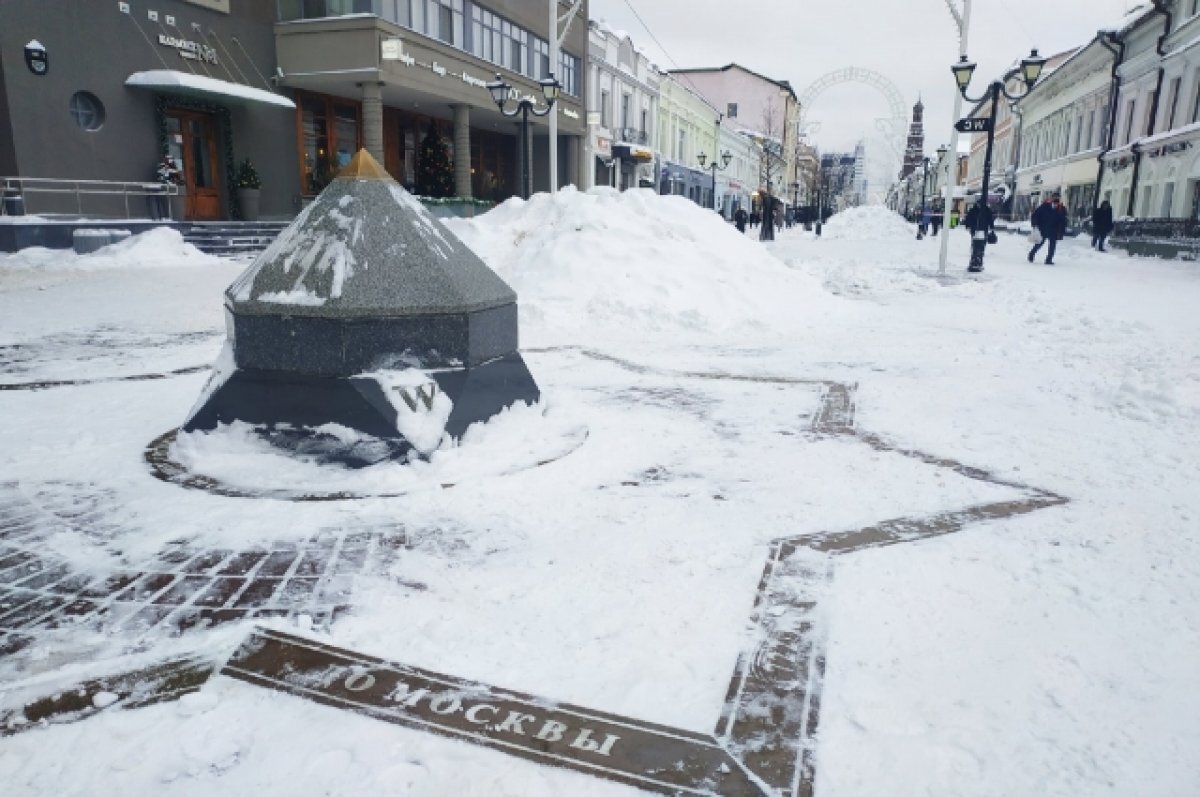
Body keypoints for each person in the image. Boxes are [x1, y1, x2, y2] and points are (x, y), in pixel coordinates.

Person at [1028, 192, 1068, 264]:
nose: (1056, 199)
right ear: (1051, 198)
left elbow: (1063, 221)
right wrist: (1035, 224)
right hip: (1043, 228)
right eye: (1055, 197)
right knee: (1039, 243)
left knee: (1052, 246)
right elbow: (1035, 215)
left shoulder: (1062, 209)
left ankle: (1049, 260)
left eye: (1058, 198)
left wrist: (1061, 232)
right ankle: (1031, 254)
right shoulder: (1044, 206)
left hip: (1054, 230)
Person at [964, 199, 995, 273]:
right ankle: (975, 253)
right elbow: (968, 218)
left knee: (982, 242)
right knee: (975, 241)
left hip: (983, 228)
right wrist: (968, 226)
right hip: (975, 228)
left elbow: (990, 219)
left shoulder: (987, 210)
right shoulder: (973, 210)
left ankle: (980, 253)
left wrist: (991, 227)